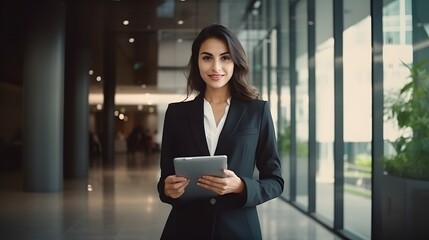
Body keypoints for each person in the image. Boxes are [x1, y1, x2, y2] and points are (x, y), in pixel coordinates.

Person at [157, 24, 284, 240]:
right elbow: (165, 180)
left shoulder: (257, 111)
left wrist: (242, 186)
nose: (216, 67)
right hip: (185, 229)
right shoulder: (176, 114)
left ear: (236, 61)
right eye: (207, 58)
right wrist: (167, 189)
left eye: (225, 58)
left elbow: (275, 181)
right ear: (197, 61)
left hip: (239, 230)